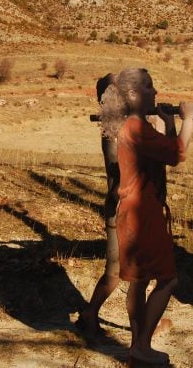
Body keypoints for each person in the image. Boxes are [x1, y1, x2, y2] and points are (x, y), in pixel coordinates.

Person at [99, 68, 193, 365]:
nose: (155, 92)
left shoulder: (130, 127)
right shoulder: (136, 128)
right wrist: (187, 119)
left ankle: (136, 346)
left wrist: (167, 123)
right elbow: (177, 153)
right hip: (144, 214)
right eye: (149, 87)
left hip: (130, 212)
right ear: (132, 95)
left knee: (138, 282)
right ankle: (142, 345)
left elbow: (161, 150)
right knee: (168, 280)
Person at [77, 73, 122, 335]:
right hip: (120, 208)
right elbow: (120, 172)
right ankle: (90, 314)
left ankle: (142, 327)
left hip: (123, 207)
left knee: (140, 274)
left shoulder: (116, 127)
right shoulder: (111, 131)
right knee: (114, 273)